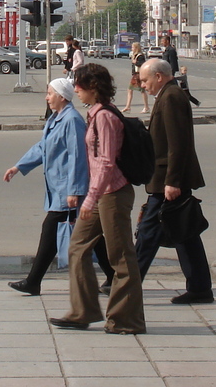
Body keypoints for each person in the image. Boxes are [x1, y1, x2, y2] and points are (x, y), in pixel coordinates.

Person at [50, 63, 145, 335]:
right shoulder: (94, 113)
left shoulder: (104, 116)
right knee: (77, 247)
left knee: (121, 257)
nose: (75, 90)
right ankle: (83, 311)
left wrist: (90, 199)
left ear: (93, 87)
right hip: (101, 192)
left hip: (112, 193)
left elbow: (106, 163)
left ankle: (127, 319)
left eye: (79, 85)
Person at [3, 77, 114, 296]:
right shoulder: (56, 118)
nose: (47, 97)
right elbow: (42, 147)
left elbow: (78, 156)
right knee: (94, 237)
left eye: (50, 93)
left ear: (62, 97)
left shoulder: (72, 120)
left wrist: (74, 190)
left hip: (67, 190)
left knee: (51, 231)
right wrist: (18, 166)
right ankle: (113, 276)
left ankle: (33, 281)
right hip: (59, 188)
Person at [134, 57, 214, 305]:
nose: (143, 86)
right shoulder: (168, 95)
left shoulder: (171, 98)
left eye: (145, 81)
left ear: (159, 76)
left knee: (148, 232)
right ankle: (200, 287)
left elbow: (178, 145)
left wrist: (173, 181)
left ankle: (126, 283)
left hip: (168, 181)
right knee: (184, 233)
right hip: (167, 179)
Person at [122, 41, 149, 114]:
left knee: (142, 91)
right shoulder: (135, 55)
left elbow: (142, 64)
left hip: (139, 75)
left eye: (133, 47)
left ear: (136, 48)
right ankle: (128, 106)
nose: (132, 48)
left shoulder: (140, 56)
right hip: (135, 75)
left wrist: (135, 62)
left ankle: (146, 107)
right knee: (130, 90)